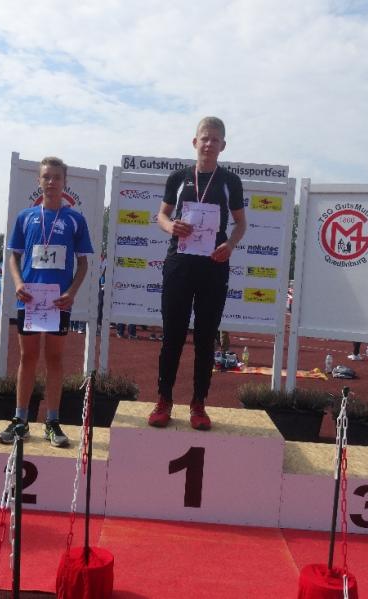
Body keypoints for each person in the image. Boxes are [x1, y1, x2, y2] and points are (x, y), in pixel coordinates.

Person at [148, 116, 246, 431]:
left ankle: (199, 403)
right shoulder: (178, 178)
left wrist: (230, 245)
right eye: (205, 138)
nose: (209, 144)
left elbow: (241, 223)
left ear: (223, 145)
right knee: (172, 335)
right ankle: (164, 400)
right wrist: (170, 226)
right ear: (195, 142)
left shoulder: (230, 181)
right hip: (180, 263)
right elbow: (161, 215)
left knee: (206, 338)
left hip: (214, 265)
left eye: (215, 139)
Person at [0, 156, 94, 447]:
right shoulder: (25, 217)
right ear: (38, 181)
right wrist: (17, 283)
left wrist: (72, 292)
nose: (51, 182)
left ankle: (52, 422)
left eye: (56, 177)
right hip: (29, 301)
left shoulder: (75, 220)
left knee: (54, 360)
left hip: (58, 303)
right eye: (46, 177)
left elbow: (84, 264)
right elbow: (13, 257)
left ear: (65, 182)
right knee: (27, 358)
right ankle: (20, 420)